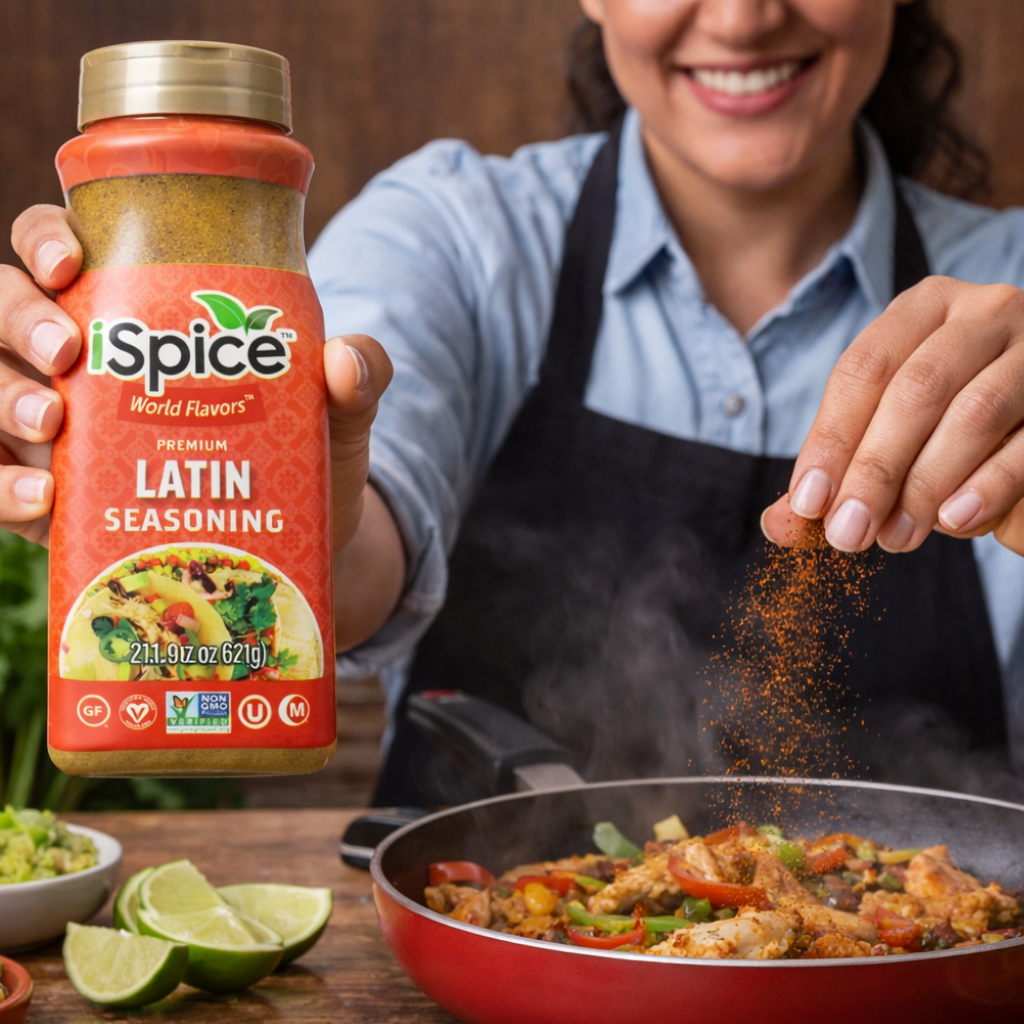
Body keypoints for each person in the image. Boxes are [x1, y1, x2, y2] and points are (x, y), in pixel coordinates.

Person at [4, 0, 1024, 801]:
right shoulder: (457, 234)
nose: (743, 15)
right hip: (482, 950)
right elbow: (349, 551)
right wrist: (235, 506)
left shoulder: (1011, 284)